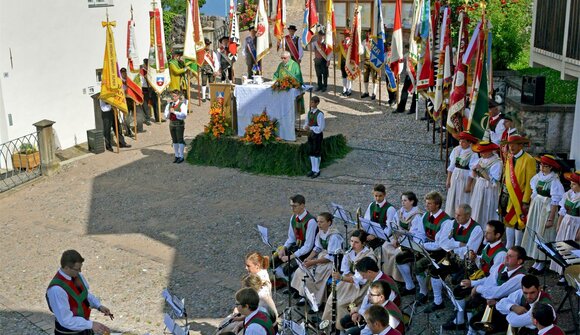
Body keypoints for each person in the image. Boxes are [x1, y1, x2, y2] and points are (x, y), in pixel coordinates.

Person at [444, 220, 507, 331]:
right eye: (485, 231)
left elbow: (493, 278)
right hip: (480, 277)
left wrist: (473, 283)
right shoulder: (488, 245)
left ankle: (471, 328)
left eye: (488, 233)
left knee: (467, 299)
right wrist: (475, 257)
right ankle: (460, 321)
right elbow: (482, 261)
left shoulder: (501, 254)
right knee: (458, 289)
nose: (485, 234)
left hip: (488, 284)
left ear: (497, 235)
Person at [423, 203, 483, 313]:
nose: (456, 217)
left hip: (467, 264)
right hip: (451, 258)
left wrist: (452, 245)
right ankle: (438, 301)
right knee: (434, 271)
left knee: (458, 284)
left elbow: (468, 252)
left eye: (459, 215)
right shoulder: (452, 223)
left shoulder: (476, 229)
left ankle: (458, 311)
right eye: (455, 214)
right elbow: (442, 243)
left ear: (468, 216)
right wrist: (459, 244)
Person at [461, 246, 527, 335]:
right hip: (492, 300)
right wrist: (476, 286)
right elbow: (489, 282)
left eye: (510, 256)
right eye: (507, 255)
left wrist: (478, 288)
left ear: (519, 261)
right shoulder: (501, 267)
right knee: (470, 302)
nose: (506, 257)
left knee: (475, 321)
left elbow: (498, 292)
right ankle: (470, 331)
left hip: (506, 309)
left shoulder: (520, 277)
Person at [46, 250, 114, 335]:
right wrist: (90, 324)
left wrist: (98, 305)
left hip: (83, 329)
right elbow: (66, 320)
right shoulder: (56, 290)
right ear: (66, 267)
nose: (80, 271)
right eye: (77, 269)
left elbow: (85, 294)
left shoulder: (76, 275)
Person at [404, 191, 453, 306]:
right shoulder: (426, 215)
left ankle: (436, 299)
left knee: (419, 265)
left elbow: (440, 245)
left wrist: (423, 246)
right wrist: (418, 243)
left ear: (437, 205)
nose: (426, 206)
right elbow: (420, 233)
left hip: (440, 252)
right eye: (426, 203)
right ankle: (422, 291)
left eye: (429, 204)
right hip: (425, 247)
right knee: (402, 257)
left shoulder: (446, 221)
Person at [321, 230, 376, 330]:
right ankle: (328, 326)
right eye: (351, 241)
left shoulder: (368, 256)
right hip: (348, 281)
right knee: (331, 299)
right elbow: (345, 269)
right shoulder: (350, 252)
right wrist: (347, 277)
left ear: (363, 243)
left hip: (362, 287)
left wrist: (342, 278)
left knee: (341, 303)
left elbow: (361, 279)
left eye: (356, 242)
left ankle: (341, 327)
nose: (352, 244)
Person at [521, 154, 564, 275]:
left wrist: (551, 218)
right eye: (541, 165)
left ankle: (542, 261)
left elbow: (555, 201)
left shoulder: (554, 181)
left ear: (550, 168)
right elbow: (534, 193)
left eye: (545, 166)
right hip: (537, 207)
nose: (542, 168)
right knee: (534, 230)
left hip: (546, 209)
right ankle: (536, 259)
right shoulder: (538, 177)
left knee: (543, 233)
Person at [291, 212, 343, 305]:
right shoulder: (320, 233)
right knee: (301, 270)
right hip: (321, 258)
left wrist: (314, 262)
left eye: (321, 222)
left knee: (316, 276)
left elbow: (331, 257)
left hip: (332, 262)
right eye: (318, 222)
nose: (319, 224)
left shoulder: (334, 236)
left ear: (329, 223)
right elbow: (317, 248)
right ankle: (305, 295)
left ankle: (316, 301)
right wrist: (308, 258)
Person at [339, 257, 400, 332]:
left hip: (382, 322)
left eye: (363, 275)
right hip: (372, 315)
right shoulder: (375, 280)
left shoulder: (383, 286)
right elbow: (367, 299)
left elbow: (378, 314)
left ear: (369, 272)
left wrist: (359, 311)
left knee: (351, 332)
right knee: (344, 321)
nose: (363, 278)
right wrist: (358, 312)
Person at [501, 133, 536, 248]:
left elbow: (530, 183)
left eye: (514, 145)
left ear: (521, 146)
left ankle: (517, 246)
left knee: (518, 223)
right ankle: (509, 245)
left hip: (520, 197)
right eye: (510, 144)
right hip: (508, 195)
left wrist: (525, 201)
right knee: (509, 220)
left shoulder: (529, 160)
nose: (511, 147)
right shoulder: (509, 157)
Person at [272, 194, 318, 279]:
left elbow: (308, 246)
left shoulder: (311, 221)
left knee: (287, 269)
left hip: (307, 252)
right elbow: (291, 238)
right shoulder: (293, 218)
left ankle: (293, 286)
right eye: (291, 206)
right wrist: (284, 248)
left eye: (294, 206)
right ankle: (284, 279)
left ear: (302, 206)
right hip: (297, 247)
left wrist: (291, 257)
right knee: (273, 261)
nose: (292, 208)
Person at [389, 192, 426, 294]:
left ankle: (416, 288)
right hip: (402, 241)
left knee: (399, 256)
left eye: (405, 200)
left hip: (413, 245)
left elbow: (415, 234)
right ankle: (407, 284)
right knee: (388, 249)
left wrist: (402, 237)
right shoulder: (401, 212)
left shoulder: (417, 215)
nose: (402, 203)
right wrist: (396, 238)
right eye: (402, 200)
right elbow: (394, 225)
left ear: (412, 201)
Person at [549, 170, 580, 283]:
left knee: (573, 249)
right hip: (566, 223)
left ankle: (572, 274)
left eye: (574, 184)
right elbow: (562, 211)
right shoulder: (568, 194)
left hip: (576, 225)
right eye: (571, 183)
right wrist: (559, 225)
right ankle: (563, 272)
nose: (571, 186)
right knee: (563, 247)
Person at [469, 141, 503, 229]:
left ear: (490, 151)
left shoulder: (497, 162)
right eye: (480, 151)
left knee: (487, 208)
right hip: (480, 186)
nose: (481, 154)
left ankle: (487, 230)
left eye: (483, 151)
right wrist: (474, 171)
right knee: (477, 207)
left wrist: (481, 170)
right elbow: (475, 176)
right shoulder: (481, 160)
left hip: (489, 189)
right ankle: (476, 228)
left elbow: (494, 180)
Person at [445, 131, 479, 216]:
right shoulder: (456, 150)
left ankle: (463, 215)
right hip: (455, 175)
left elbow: (472, 170)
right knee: (453, 195)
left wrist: (468, 185)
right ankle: (452, 215)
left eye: (463, 141)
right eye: (460, 141)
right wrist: (448, 179)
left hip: (465, 176)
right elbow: (451, 166)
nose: (461, 143)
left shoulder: (473, 153)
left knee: (463, 197)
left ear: (469, 142)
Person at [364, 184, 398, 250]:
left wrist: (375, 236)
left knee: (369, 246)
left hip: (383, 236)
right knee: (356, 236)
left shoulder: (390, 209)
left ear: (384, 195)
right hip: (372, 232)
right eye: (375, 196)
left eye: (380, 196)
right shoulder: (371, 205)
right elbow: (366, 221)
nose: (377, 198)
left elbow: (389, 230)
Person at [164, 89, 188, 163]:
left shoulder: (182, 104)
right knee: (174, 140)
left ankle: (181, 156)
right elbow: (166, 116)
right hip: (171, 124)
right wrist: (169, 114)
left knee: (180, 139)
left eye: (174, 96)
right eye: (172, 96)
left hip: (179, 124)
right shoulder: (169, 104)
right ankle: (176, 155)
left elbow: (184, 115)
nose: (173, 97)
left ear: (178, 96)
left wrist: (175, 112)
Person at [304, 96, 325, 178]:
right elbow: (306, 122)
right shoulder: (309, 113)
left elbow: (321, 128)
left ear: (317, 103)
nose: (311, 104)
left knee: (316, 152)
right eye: (310, 102)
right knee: (311, 151)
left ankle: (317, 170)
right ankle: (313, 169)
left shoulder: (319, 114)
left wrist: (311, 128)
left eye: (313, 102)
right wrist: (305, 126)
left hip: (317, 135)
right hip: (311, 134)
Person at [200, 38, 220, 102]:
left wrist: (216, 70)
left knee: (211, 83)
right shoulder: (201, 53)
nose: (208, 46)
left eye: (208, 45)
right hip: (204, 70)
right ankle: (203, 97)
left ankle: (209, 96)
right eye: (206, 45)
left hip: (211, 70)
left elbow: (216, 61)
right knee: (204, 83)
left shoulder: (212, 52)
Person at [141, 58, 160, 122]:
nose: (147, 66)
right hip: (144, 88)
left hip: (152, 88)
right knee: (145, 104)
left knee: (156, 103)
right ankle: (147, 119)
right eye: (146, 64)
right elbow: (143, 80)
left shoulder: (150, 71)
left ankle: (158, 118)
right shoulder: (141, 71)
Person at [361, 29, 378, 100]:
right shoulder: (364, 42)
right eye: (367, 33)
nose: (368, 34)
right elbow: (361, 50)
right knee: (365, 76)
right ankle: (366, 92)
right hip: (366, 61)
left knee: (374, 78)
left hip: (374, 62)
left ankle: (374, 93)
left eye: (369, 33)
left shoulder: (375, 42)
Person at [338, 29, 352, 96]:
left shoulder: (352, 44)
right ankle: (344, 89)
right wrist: (332, 45)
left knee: (349, 76)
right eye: (345, 35)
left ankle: (349, 90)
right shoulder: (341, 43)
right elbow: (336, 50)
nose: (346, 36)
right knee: (344, 76)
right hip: (343, 62)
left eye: (347, 35)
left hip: (349, 62)